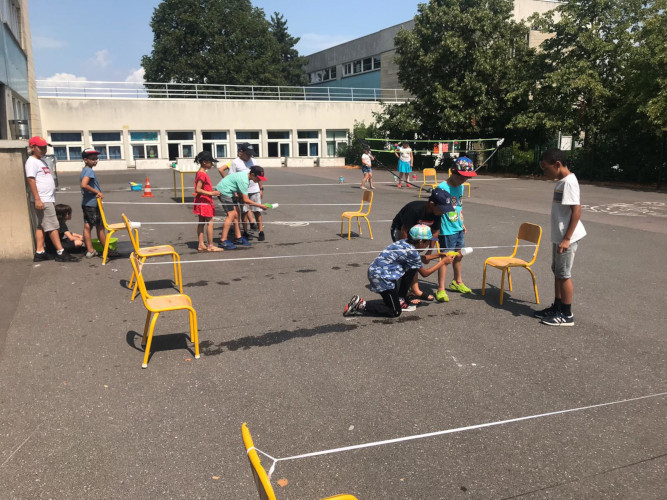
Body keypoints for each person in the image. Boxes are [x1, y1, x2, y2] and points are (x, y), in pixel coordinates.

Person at [343, 224, 455, 318]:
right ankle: (361, 304)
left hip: (379, 271)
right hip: (381, 278)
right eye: (428, 242)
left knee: (412, 268)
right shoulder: (413, 252)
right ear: (421, 241)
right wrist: (443, 261)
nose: (428, 245)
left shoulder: (405, 242)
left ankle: (400, 298)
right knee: (395, 312)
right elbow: (425, 273)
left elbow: (419, 261)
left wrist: (438, 255)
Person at [534, 149, 586, 326]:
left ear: (557, 165)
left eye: (545, 168)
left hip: (567, 237)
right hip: (559, 236)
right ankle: (557, 306)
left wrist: (567, 238)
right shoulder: (562, 181)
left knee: (564, 274)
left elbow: (576, 212)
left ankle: (566, 314)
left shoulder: (569, 182)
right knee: (557, 271)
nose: (544, 172)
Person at [390, 187, 454, 302]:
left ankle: (416, 290)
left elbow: (435, 232)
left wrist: (430, 252)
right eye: (442, 208)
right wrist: (407, 250)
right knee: (405, 261)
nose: (444, 211)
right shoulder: (415, 210)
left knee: (414, 261)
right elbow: (404, 231)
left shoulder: (437, 213)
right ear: (432, 203)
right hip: (401, 231)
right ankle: (404, 292)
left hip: (420, 235)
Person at [25, 136, 77, 262]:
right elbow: (31, 180)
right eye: (40, 147)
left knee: (42, 226)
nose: (44, 150)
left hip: (47, 198)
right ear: (32, 147)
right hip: (43, 199)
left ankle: (40, 252)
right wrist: (38, 199)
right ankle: (60, 252)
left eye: (45, 147)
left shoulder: (40, 161)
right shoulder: (32, 161)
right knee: (53, 226)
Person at [435, 156, 477, 302]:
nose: (464, 180)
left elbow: (459, 205)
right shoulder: (442, 188)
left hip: (458, 226)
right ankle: (440, 289)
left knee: (459, 255)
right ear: (453, 171)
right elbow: (437, 210)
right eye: (462, 176)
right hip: (447, 230)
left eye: (467, 177)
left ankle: (457, 282)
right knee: (446, 258)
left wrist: (462, 222)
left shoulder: (461, 186)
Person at [219, 143, 265, 241]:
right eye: (247, 154)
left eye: (251, 154)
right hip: (242, 191)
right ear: (241, 152)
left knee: (257, 211)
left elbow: (259, 175)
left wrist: (261, 189)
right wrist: (234, 191)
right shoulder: (235, 162)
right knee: (244, 212)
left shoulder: (253, 161)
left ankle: (261, 231)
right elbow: (231, 176)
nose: (249, 156)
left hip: (254, 189)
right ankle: (245, 232)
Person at [215, 166, 269, 250]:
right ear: (252, 174)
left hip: (231, 192)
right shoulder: (244, 181)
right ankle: (223, 241)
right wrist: (260, 205)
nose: (259, 180)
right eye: (258, 178)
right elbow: (246, 200)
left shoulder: (246, 177)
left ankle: (238, 237)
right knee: (231, 214)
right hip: (224, 191)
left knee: (237, 213)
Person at [80, 147, 116, 259]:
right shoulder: (89, 171)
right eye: (92, 159)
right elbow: (84, 185)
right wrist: (98, 192)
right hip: (92, 203)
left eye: (96, 158)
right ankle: (106, 250)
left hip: (86, 203)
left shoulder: (85, 170)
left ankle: (90, 250)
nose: (95, 161)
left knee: (88, 225)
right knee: (100, 226)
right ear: (85, 159)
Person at [193, 151, 223, 252]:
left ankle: (201, 244)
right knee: (210, 222)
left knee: (201, 222)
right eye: (211, 162)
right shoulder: (202, 174)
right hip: (205, 201)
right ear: (205, 162)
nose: (212, 164)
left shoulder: (201, 172)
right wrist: (212, 193)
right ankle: (210, 245)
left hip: (201, 200)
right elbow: (198, 189)